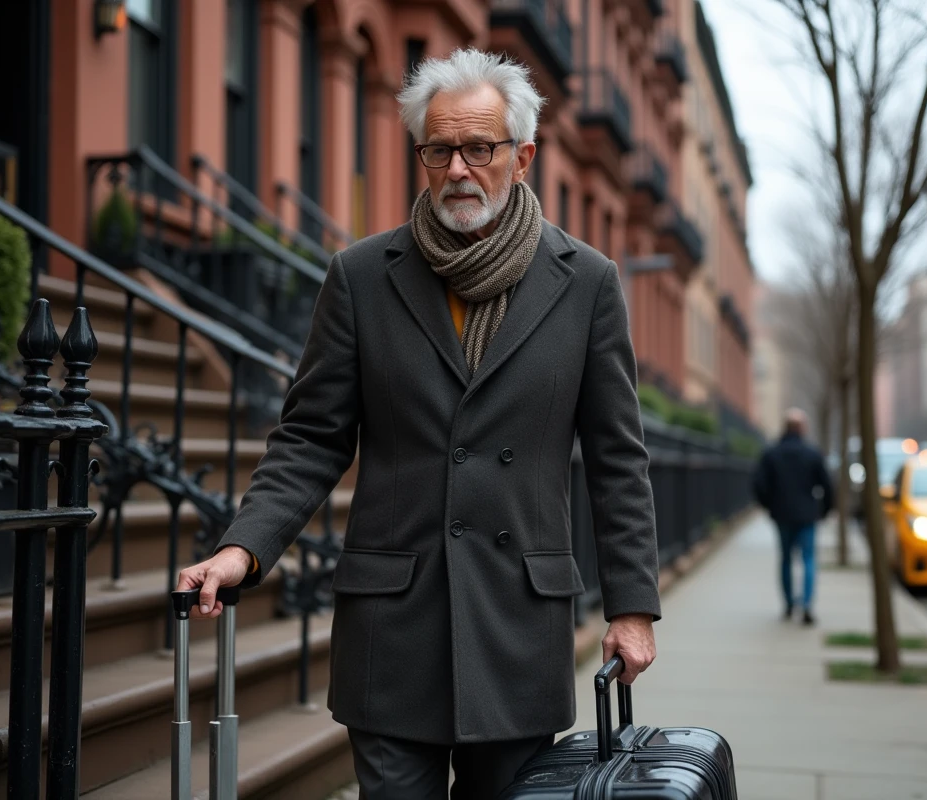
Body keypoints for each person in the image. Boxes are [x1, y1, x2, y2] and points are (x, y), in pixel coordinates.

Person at [174, 49, 660, 799]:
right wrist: (245, 548)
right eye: (439, 150)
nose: (458, 169)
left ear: (522, 157)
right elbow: (311, 437)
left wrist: (630, 607)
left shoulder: (587, 281)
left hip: (515, 630)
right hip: (394, 630)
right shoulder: (363, 276)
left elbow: (617, 458)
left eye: (479, 148)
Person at [752, 408, 833, 626]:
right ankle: (806, 604)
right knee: (808, 559)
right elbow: (827, 485)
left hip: (782, 515)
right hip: (807, 515)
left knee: (786, 559)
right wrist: (824, 510)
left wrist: (770, 505)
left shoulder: (772, 453)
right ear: (802, 428)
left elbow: (758, 484)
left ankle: (789, 604)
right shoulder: (812, 453)